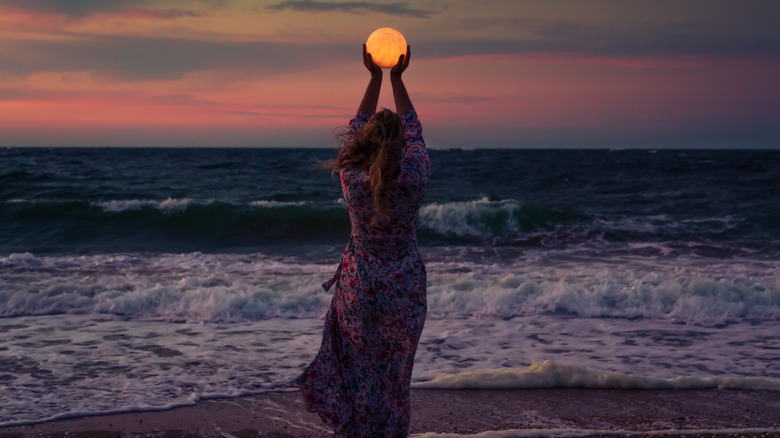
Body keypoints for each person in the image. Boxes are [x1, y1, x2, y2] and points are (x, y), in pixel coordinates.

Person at [295, 44, 429, 438]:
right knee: (395, 380)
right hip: (404, 287)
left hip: (360, 286)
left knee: (359, 375)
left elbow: (356, 125)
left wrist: (374, 77)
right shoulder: (415, 174)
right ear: (402, 145)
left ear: (365, 144)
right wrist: (397, 78)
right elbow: (415, 130)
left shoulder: (352, 177)